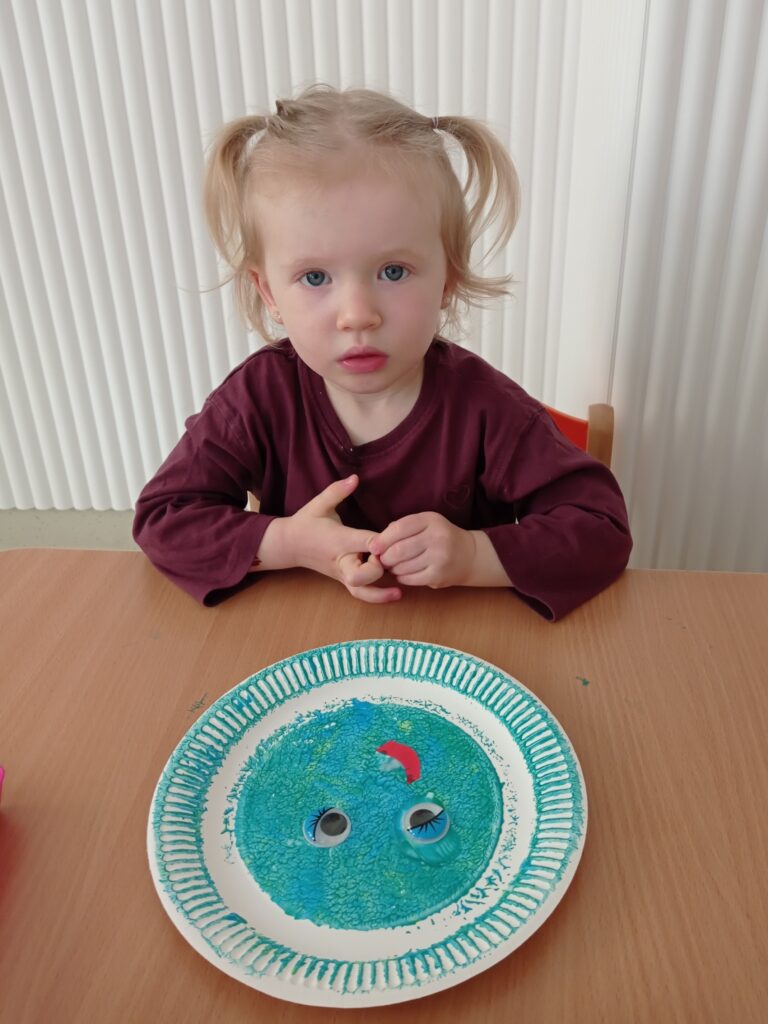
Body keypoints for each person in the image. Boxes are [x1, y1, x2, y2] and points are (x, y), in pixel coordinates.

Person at [133, 84, 632, 621]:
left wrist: (472, 556)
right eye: (315, 277)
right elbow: (164, 520)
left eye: (393, 271)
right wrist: (291, 544)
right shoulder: (257, 397)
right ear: (269, 292)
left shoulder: (487, 408)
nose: (357, 315)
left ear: (447, 279)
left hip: (456, 645)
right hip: (302, 641)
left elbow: (601, 530)